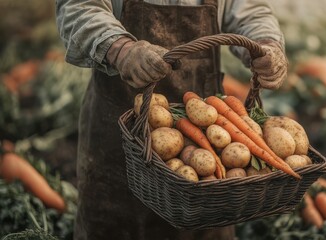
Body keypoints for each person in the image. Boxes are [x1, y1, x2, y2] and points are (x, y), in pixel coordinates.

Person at [55, 0, 288, 239]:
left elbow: (250, 10)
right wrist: (122, 50)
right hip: (122, 141)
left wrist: (266, 44)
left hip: (207, 148)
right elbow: (79, 7)